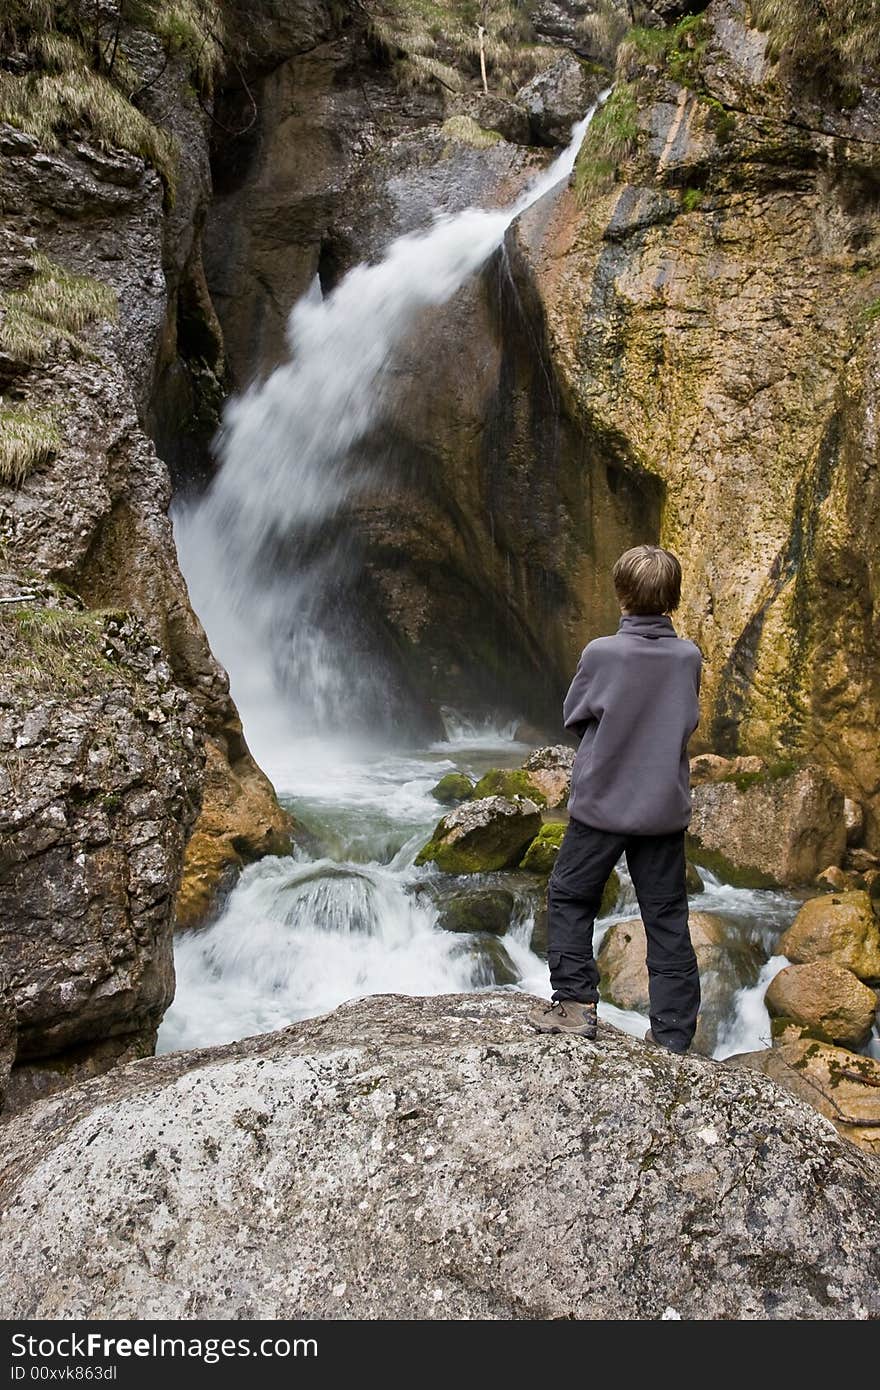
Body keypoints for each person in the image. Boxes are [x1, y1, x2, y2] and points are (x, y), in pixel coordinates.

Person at [528, 544, 703, 1053]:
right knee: (666, 917)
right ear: (673, 597)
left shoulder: (601, 652)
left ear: (620, 593)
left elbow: (577, 714)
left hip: (602, 806)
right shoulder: (688, 656)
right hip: (662, 810)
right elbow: (682, 719)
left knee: (570, 895)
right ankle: (671, 1035)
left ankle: (576, 1005)